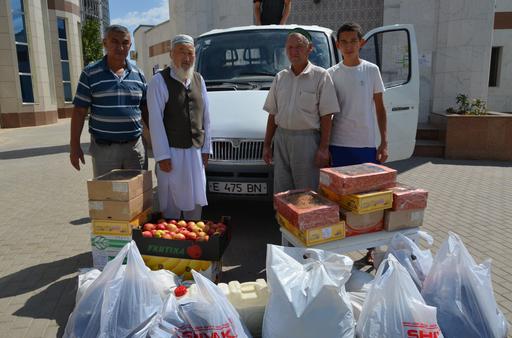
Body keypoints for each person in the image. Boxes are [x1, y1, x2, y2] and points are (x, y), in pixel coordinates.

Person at [262, 28, 339, 194]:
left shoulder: (321, 76)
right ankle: (283, 220)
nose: (294, 52)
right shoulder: (280, 77)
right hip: (282, 139)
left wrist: (323, 148)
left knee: (306, 194)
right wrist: (267, 145)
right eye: (290, 47)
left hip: (308, 143)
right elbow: (272, 113)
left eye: (299, 47)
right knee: (282, 192)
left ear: (309, 48)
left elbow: (327, 116)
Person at [70, 24, 148, 177]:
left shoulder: (139, 75)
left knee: (138, 198)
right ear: (104, 43)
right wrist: (74, 146)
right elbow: (79, 111)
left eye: (125, 43)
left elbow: (146, 110)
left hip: (135, 149)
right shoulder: (90, 73)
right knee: (107, 198)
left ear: (130, 45)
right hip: (104, 151)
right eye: (114, 41)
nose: (120, 47)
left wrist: (161, 146)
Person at [147, 34, 211, 220]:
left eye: (190, 53)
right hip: (171, 154)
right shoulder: (159, 81)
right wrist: (162, 156)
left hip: (196, 152)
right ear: (171, 55)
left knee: (196, 199)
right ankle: (171, 243)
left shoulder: (199, 80)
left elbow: (206, 116)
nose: (186, 58)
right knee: (171, 202)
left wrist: (207, 148)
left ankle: (193, 237)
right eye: (181, 52)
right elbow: (156, 121)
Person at [328, 22, 388, 167]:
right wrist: (324, 146)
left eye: (354, 41)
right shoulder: (330, 74)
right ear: (338, 45)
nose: (349, 46)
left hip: (365, 143)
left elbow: (380, 108)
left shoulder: (372, 70)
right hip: (338, 143)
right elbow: (326, 113)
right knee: (338, 189)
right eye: (344, 42)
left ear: (361, 43)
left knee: (365, 188)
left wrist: (384, 142)